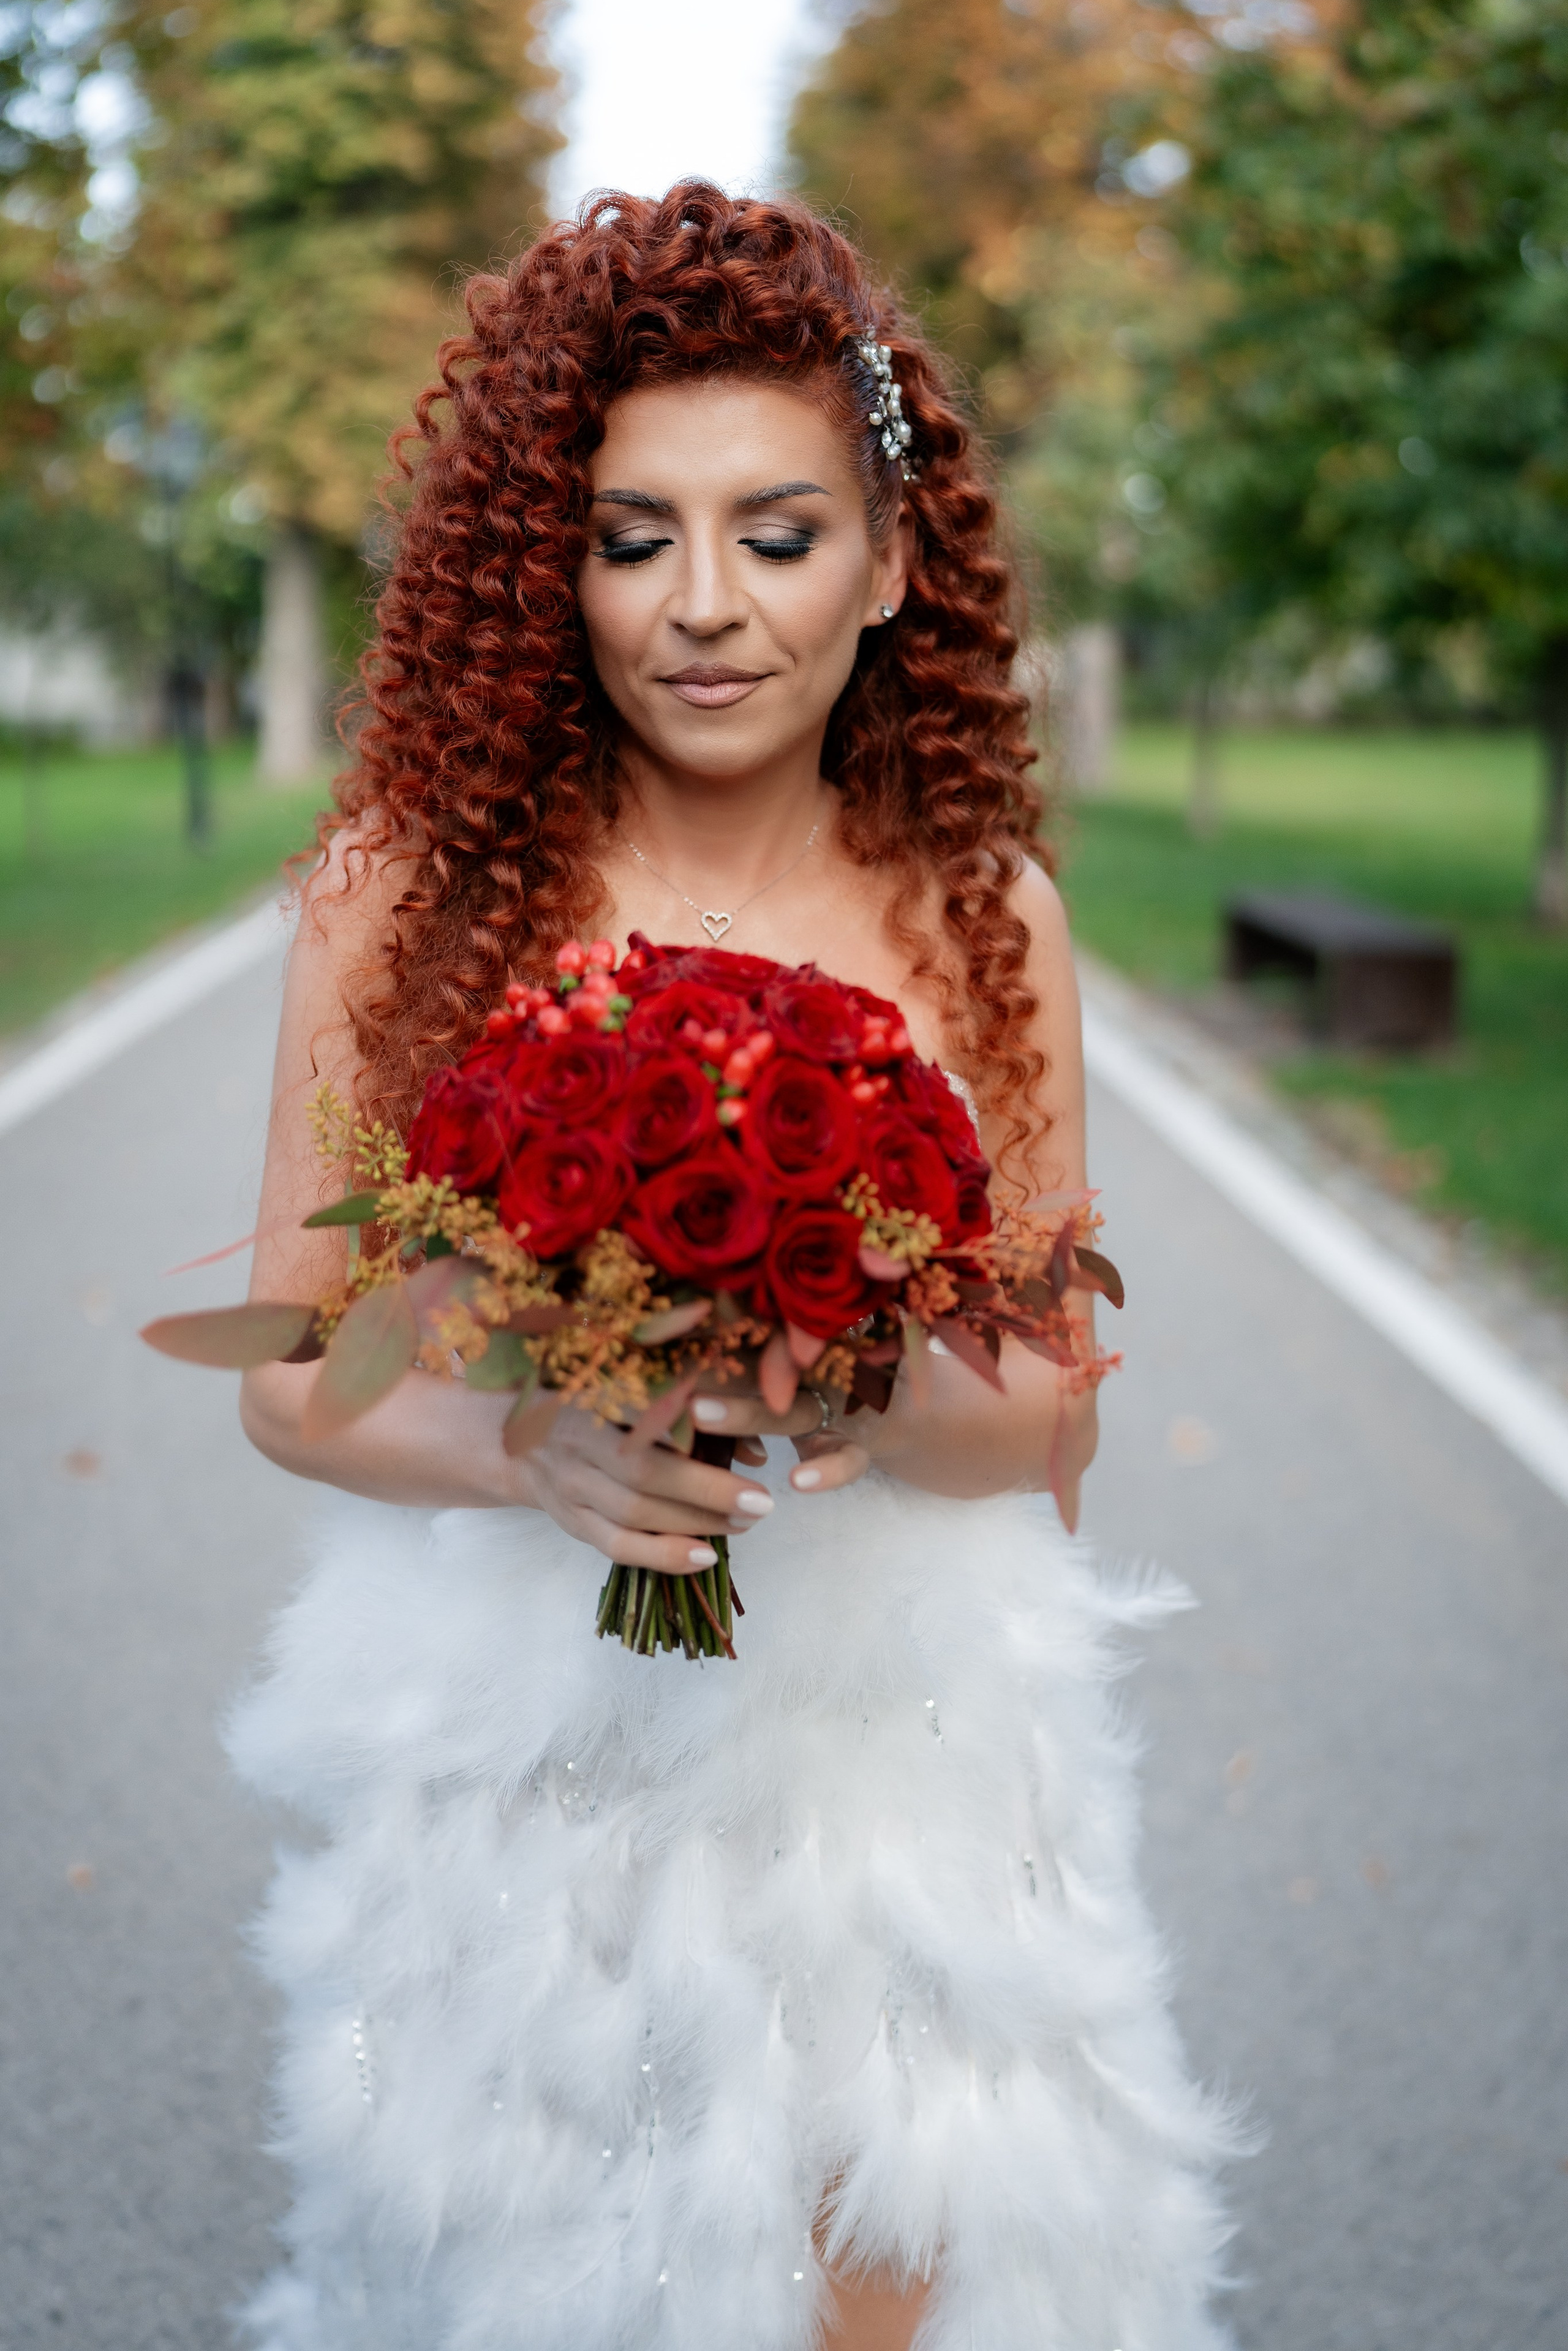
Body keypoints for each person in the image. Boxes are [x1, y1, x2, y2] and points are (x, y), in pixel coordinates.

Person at [233, 183, 1233, 2351]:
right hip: (532, 1737)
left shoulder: (988, 915)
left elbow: (1053, 1403)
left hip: (899, 1743)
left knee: (896, 2286)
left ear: (888, 562)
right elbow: (295, 1368)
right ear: (547, 563)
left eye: (775, 534)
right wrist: (534, 1449)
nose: (703, 606)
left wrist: (840, 1364)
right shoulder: (404, 904)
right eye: (627, 535)